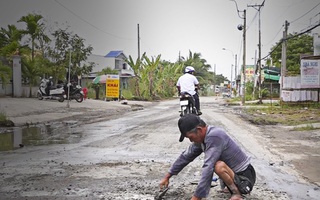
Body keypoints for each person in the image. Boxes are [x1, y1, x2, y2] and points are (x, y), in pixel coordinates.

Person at [159, 114, 256, 200]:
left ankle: (237, 194)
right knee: (217, 165)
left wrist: (197, 197)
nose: (191, 141)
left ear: (199, 130)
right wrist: (168, 176)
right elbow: (185, 156)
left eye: (190, 137)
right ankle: (232, 188)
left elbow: (208, 167)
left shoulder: (214, 136)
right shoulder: (202, 138)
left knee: (218, 165)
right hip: (234, 176)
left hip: (245, 178)